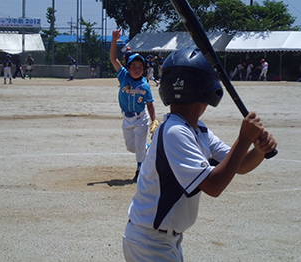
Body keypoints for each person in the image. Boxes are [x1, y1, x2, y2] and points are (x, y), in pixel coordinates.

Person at [122, 47, 277, 262]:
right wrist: (243, 140)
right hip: (150, 242)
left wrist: (259, 150)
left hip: (163, 240)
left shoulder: (197, 130)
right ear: (207, 93)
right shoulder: (175, 132)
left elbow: (239, 165)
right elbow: (214, 186)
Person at [110, 29, 158, 182]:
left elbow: (150, 104)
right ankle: (149, 149)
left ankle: (140, 170)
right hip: (126, 119)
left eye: (140, 66)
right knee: (132, 147)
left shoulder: (145, 85)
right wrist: (114, 41)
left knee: (139, 147)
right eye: (134, 66)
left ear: (143, 69)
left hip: (140, 118)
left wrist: (153, 120)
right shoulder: (123, 75)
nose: (136, 69)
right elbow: (113, 58)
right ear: (128, 67)